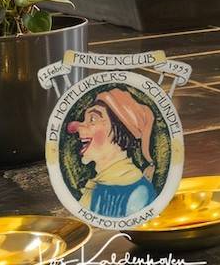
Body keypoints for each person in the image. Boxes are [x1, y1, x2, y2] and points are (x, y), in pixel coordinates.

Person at [66, 89, 158, 218]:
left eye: (92, 119)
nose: (76, 127)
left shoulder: (138, 193)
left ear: (119, 129)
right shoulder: (99, 185)